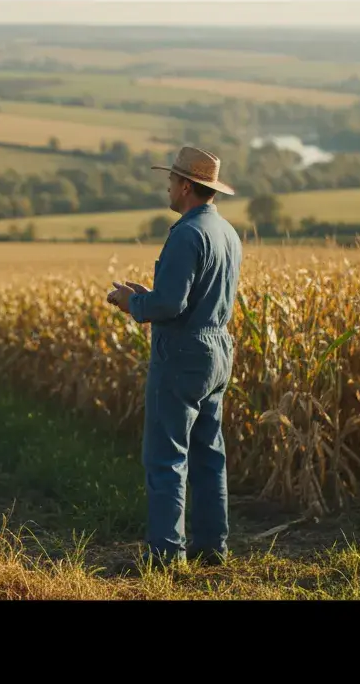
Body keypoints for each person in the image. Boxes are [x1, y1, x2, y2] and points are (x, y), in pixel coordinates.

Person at [105, 146, 243, 569]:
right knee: (208, 453)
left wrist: (133, 303)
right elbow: (195, 297)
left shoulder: (186, 233)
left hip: (182, 352)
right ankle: (212, 547)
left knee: (166, 456)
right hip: (217, 350)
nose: (167, 186)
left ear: (186, 186)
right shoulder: (227, 233)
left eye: (171, 181)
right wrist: (151, 297)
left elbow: (171, 306)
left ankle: (165, 556)